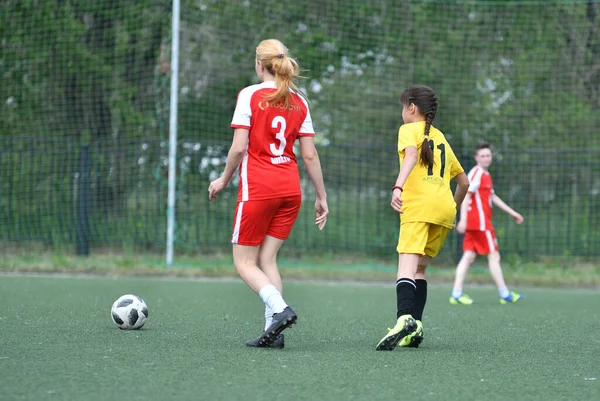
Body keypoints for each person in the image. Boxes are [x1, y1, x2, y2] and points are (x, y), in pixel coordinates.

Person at [208, 39, 329, 349]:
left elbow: (238, 147)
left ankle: (279, 310)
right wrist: (321, 196)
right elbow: (310, 156)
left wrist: (222, 179)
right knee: (267, 258)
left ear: (260, 64)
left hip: (259, 188)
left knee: (244, 263)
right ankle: (273, 332)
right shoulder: (300, 99)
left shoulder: (249, 94)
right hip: (291, 189)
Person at [376, 85, 469, 351]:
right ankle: (416, 326)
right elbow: (464, 183)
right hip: (444, 209)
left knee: (405, 266)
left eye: (403, 107)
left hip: (418, 207)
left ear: (412, 108)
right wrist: (452, 210)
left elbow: (412, 155)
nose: (402, 112)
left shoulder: (408, 130)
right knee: (420, 270)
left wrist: (398, 186)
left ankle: (404, 319)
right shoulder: (441, 137)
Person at [449, 142, 525, 305]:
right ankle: (504, 294)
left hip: (476, 224)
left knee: (468, 256)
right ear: (476, 158)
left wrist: (513, 213)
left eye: (488, 155)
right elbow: (467, 195)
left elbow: (492, 196)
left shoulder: (485, 174)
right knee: (494, 256)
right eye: (482, 156)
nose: (486, 158)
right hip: (481, 224)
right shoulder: (476, 173)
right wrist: (463, 219)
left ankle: (456, 294)